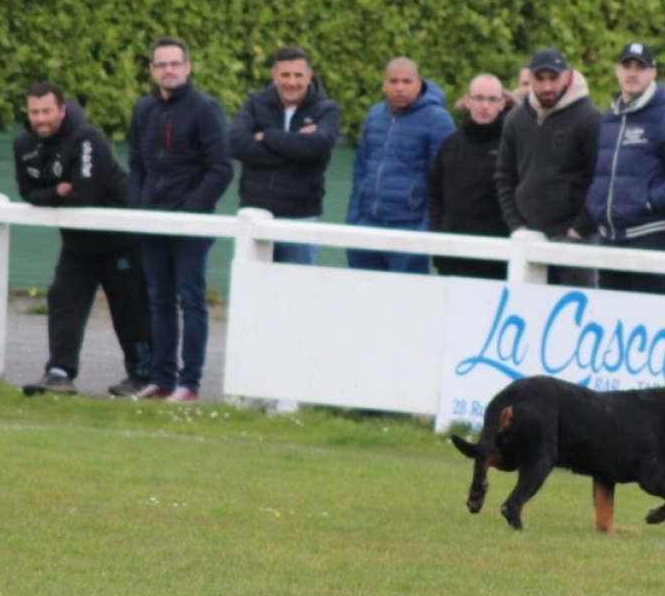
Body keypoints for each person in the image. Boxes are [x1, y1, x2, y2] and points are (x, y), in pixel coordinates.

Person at [13, 82, 151, 397]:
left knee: (130, 312)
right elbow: (27, 192)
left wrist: (55, 192)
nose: (40, 118)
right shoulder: (23, 144)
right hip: (77, 246)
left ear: (62, 109)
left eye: (46, 111)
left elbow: (84, 194)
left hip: (121, 242)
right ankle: (59, 373)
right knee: (62, 300)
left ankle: (143, 376)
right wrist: (58, 190)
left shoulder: (88, 139)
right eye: (34, 112)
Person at [127, 37, 232, 402]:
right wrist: (140, 208)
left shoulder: (206, 109)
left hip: (192, 226)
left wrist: (190, 212)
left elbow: (220, 169)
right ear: (152, 70)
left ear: (187, 67)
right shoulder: (143, 110)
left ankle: (190, 384)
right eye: (161, 64)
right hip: (152, 223)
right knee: (158, 300)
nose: (169, 70)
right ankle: (161, 380)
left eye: (175, 63)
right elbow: (137, 165)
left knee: (191, 300)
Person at [587, 42, 665, 295]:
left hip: (650, 240)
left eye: (640, 67)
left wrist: (649, 202)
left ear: (653, 73)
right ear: (617, 70)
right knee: (612, 324)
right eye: (626, 66)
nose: (632, 73)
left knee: (653, 324)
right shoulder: (609, 119)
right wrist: (594, 204)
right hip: (610, 241)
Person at [495, 47, 601, 287]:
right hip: (529, 241)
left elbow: (601, 182)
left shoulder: (590, 119)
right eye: (539, 79)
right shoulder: (515, 120)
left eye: (553, 78)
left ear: (567, 76)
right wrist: (518, 227)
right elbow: (504, 177)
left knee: (578, 318)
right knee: (527, 317)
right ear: (529, 78)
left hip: (576, 243)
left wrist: (577, 232)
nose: (547, 86)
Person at [229, 46, 341, 264]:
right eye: (285, 75)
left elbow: (316, 147)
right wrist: (295, 147)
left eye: (298, 75)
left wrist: (269, 137)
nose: (292, 82)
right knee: (254, 293)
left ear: (309, 76)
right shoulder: (254, 103)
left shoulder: (326, 110)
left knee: (296, 296)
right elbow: (236, 143)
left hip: (300, 218)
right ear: (274, 76)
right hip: (254, 216)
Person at [346, 57, 455, 273]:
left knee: (407, 303)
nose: (399, 88)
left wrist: (424, 230)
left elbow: (442, 180)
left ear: (418, 83)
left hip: (409, 228)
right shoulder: (374, 115)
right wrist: (354, 220)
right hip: (367, 226)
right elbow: (361, 169)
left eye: (406, 81)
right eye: (394, 81)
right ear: (384, 84)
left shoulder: (438, 119)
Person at [426, 73, 510, 279]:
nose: (484, 106)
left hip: (498, 260)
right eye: (479, 98)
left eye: (492, 99)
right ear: (467, 101)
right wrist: (439, 235)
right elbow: (434, 193)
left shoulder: (512, 146)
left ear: (502, 104)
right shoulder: (450, 145)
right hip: (453, 256)